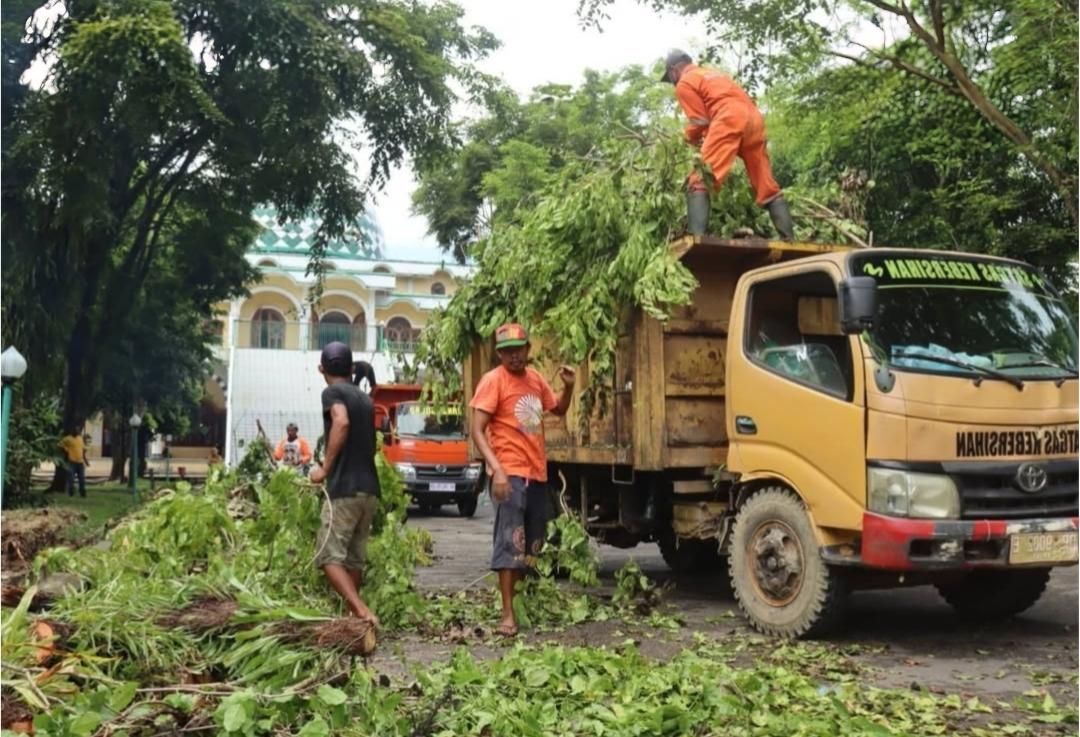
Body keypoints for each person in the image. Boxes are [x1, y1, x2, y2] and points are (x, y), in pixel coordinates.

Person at [469, 323, 575, 636]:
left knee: (533, 543)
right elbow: (476, 430)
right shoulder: (493, 381)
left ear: (528, 349)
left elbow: (559, 409)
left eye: (520, 349)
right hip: (509, 472)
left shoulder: (536, 379)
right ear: (500, 353)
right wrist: (497, 470)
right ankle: (507, 615)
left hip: (536, 473)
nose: (515, 356)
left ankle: (523, 604)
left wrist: (568, 386)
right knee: (509, 543)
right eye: (508, 351)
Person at [659, 49, 795, 241]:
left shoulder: (684, 83)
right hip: (754, 119)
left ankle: (696, 239)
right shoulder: (713, 74)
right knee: (766, 184)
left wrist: (685, 138)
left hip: (728, 118)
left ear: (673, 71)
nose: (672, 81)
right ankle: (789, 239)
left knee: (699, 178)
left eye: (670, 77)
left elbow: (700, 121)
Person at [309, 342, 382, 626]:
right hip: (369, 491)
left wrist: (325, 469)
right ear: (351, 369)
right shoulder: (366, 399)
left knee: (327, 556)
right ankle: (353, 621)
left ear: (321, 369)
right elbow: (372, 443)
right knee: (353, 559)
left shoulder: (332, 392)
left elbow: (341, 422)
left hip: (344, 490)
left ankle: (362, 612)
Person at [59, 425, 89, 498]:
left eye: (78, 430)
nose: (77, 431)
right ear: (72, 431)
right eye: (75, 430)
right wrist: (66, 451)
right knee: (71, 479)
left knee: (82, 479)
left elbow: (83, 450)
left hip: (80, 463)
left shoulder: (80, 438)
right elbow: (60, 445)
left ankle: (83, 493)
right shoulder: (67, 439)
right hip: (72, 462)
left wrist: (86, 460)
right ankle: (71, 493)